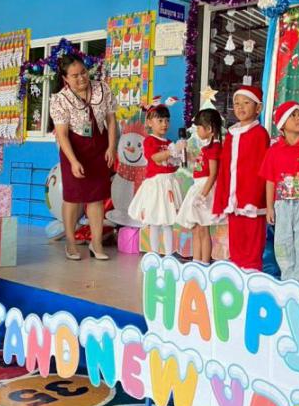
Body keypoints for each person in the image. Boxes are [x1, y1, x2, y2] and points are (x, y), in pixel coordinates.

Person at [49, 54, 117, 261]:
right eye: (75, 75)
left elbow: (111, 121)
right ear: (65, 78)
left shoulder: (103, 89)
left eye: (84, 72)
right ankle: (71, 242)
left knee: (97, 197)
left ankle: (96, 244)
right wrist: (73, 161)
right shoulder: (59, 100)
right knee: (73, 197)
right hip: (74, 149)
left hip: (99, 147)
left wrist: (111, 147)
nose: (81, 78)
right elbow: (62, 134)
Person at [261, 101, 299, 287]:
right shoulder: (274, 151)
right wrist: (269, 207)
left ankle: (298, 286)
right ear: (282, 123)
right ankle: (288, 284)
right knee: (283, 245)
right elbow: (270, 180)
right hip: (282, 206)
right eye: (293, 115)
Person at [213, 84, 270, 272]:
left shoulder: (260, 134)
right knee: (236, 239)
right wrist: (223, 196)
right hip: (233, 197)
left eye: (246, 103)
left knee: (253, 240)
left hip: (251, 198)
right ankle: (238, 272)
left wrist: (256, 196)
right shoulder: (231, 134)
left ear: (258, 108)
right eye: (237, 103)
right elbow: (224, 168)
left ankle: (252, 273)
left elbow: (262, 169)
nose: (240, 107)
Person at [128, 105, 183, 255]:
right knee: (154, 221)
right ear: (149, 122)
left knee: (167, 221)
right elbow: (155, 158)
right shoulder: (149, 141)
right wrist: (172, 151)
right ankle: (154, 253)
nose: (164, 124)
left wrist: (179, 157)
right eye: (160, 120)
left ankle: (169, 254)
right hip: (156, 185)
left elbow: (173, 165)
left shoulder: (170, 142)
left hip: (169, 184)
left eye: (167, 120)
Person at [177, 108, 223, 264]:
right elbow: (201, 165)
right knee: (196, 228)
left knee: (203, 228)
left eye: (199, 128)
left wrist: (203, 195)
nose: (197, 131)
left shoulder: (215, 147)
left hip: (205, 188)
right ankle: (196, 261)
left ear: (209, 129)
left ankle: (204, 262)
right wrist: (185, 154)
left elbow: (213, 174)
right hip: (198, 186)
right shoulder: (206, 148)